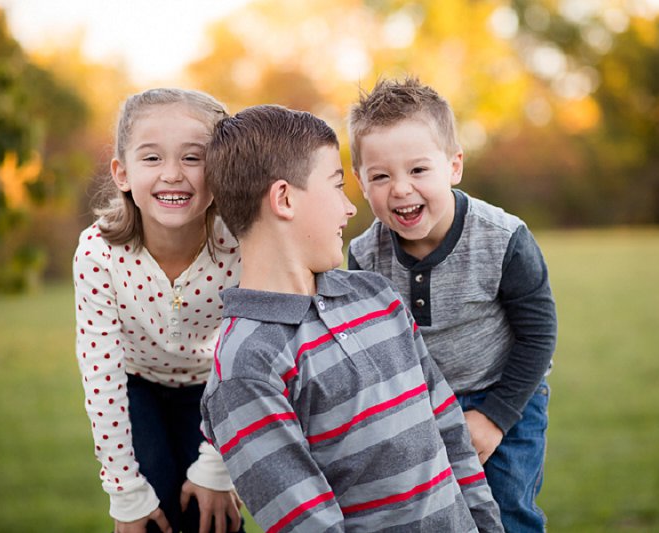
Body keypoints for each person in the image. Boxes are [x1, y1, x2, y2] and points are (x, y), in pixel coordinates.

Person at [199, 104, 504, 532]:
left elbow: (450, 433)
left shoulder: (376, 296)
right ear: (284, 199)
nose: (349, 209)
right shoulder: (245, 368)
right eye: (337, 186)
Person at [346, 77, 558, 532]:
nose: (400, 189)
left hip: (505, 394)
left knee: (505, 512)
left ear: (454, 166)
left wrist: (496, 416)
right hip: (421, 405)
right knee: (432, 516)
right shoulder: (365, 256)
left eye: (418, 170)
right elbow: (369, 347)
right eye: (381, 176)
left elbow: (539, 335)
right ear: (361, 183)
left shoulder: (502, 238)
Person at [73, 88, 245, 533]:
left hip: (214, 388)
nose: (173, 174)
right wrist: (125, 493)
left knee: (213, 518)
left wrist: (217, 466)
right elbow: (100, 372)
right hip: (134, 388)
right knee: (154, 516)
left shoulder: (241, 246)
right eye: (151, 158)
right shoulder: (98, 253)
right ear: (122, 172)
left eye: (193, 158)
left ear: (220, 171)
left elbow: (249, 358)